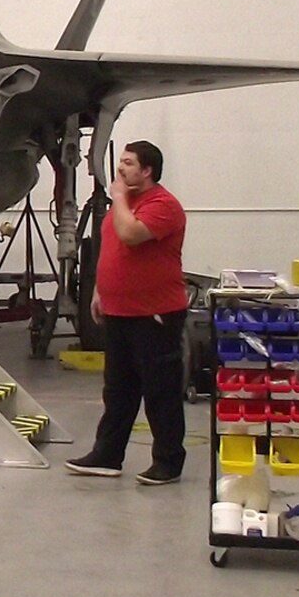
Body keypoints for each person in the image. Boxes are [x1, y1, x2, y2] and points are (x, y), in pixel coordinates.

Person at [65, 140, 189, 485]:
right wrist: (99, 291)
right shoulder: (124, 205)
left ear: (147, 171)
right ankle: (107, 455)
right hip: (119, 311)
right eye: (121, 162)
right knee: (118, 389)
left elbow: (132, 235)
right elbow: (112, 248)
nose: (120, 169)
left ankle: (167, 461)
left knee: (160, 390)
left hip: (154, 314)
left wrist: (118, 198)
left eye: (128, 163)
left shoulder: (163, 205)